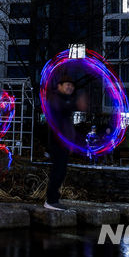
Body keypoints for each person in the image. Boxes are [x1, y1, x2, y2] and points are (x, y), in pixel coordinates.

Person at [44, 74, 86, 211]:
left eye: (72, 85)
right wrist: (76, 104)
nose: (70, 87)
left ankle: (53, 199)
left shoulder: (65, 100)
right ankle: (51, 200)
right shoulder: (55, 98)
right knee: (58, 171)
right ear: (59, 86)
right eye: (67, 85)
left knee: (61, 171)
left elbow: (68, 123)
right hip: (57, 142)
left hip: (64, 143)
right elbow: (61, 109)